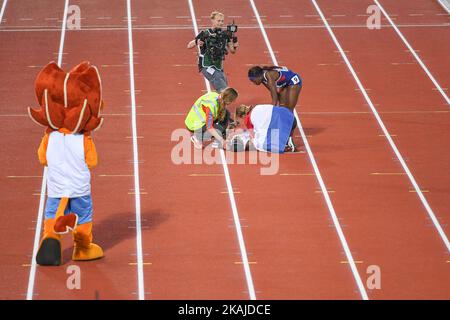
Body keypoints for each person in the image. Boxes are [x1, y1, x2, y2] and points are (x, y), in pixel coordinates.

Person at [187, 11, 239, 92]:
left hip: (218, 67)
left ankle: (218, 103)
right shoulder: (205, 33)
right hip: (207, 66)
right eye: (218, 21)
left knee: (225, 86)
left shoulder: (225, 35)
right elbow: (189, 45)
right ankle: (219, 103)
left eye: (222, 21)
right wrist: (197, 42)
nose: (221, 23)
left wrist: (235, 40)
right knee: (224, 90)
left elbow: (232, 51)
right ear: (212, 20)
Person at [229, 104, 297, 153]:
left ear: (243, 116)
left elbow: (257, 136)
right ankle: (286, 139)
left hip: (285, 123)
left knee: (260, 144)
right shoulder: (257, 108)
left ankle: (285, 146)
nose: (239, 125)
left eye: (238, 122)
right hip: (291, 119)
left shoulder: (250, 118)